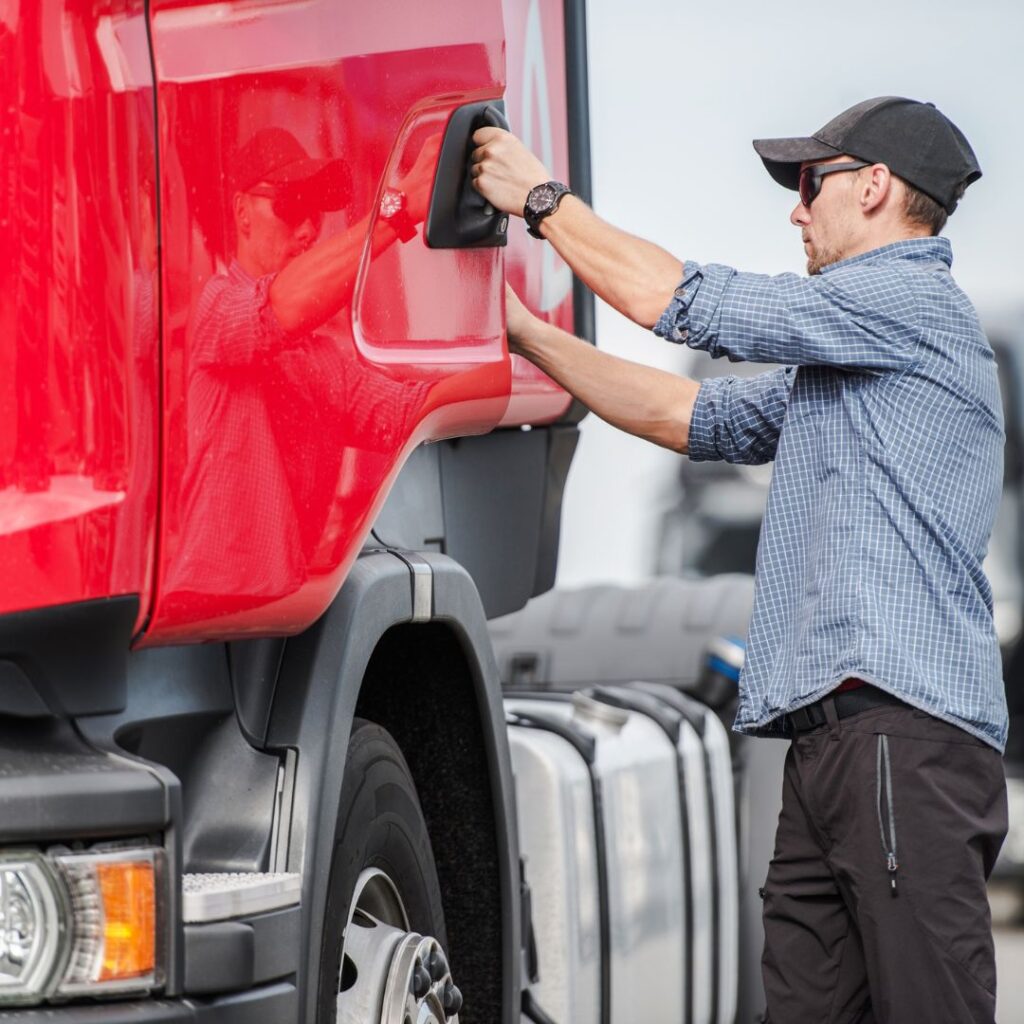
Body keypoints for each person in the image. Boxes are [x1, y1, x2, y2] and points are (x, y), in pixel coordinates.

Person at [471, 96, 1008, 1023]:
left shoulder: (908, 301)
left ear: (875, 187)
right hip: (834, 741)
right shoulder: (850, 357)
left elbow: (684, 302)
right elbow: (690, 418)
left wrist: (543, 202)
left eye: (810, 184)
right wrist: (525, 335)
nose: (796, 211)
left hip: (897, 733)